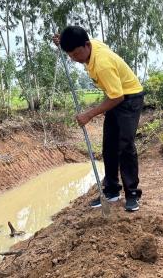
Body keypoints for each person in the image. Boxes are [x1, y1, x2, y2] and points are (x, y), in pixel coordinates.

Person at [53, 26, 144, 212]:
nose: (75, 59)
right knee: (109, 145)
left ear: (87, 45)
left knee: (125, 145)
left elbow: (117, 98)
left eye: (76, 54)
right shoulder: (88, 46)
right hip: (115, 95)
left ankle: (132, 194)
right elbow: (113, 96)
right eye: (70, 55)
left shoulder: (102, 63)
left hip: (129, 98)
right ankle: (111, 191)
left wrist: (89, 114)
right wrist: (63, 41)